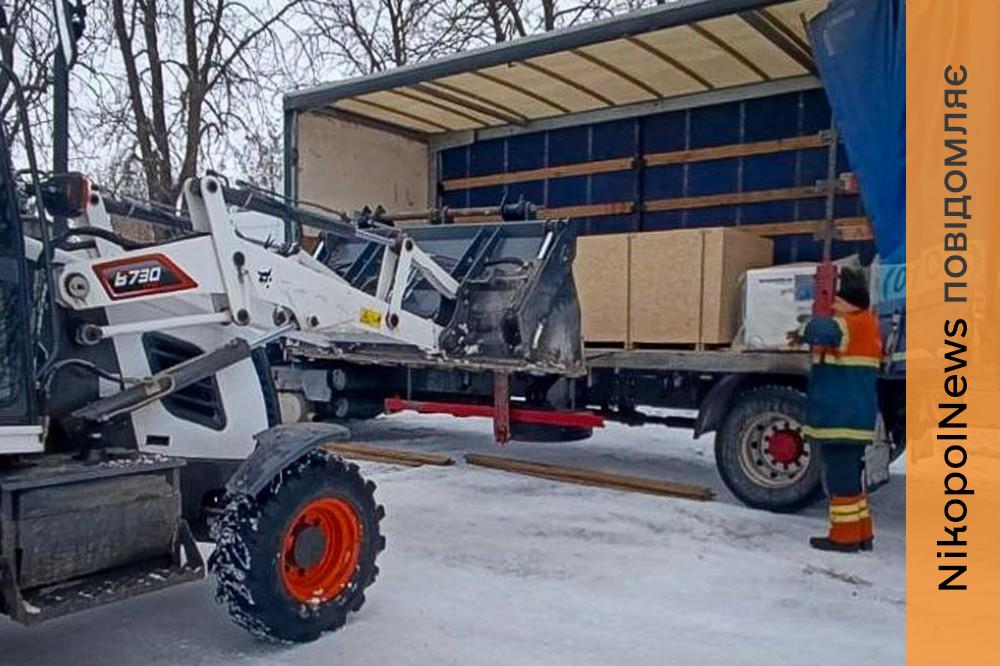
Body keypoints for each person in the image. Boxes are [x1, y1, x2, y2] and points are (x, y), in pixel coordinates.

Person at [790, 267, 883, 553]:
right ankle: (862, 533)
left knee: (840, 481)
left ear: (849, 302)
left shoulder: (847, 325)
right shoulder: (869, 324)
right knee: (852, 480)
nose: (832, 307)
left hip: (841, 418)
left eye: (836, 302)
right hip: (854, 417)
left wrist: (800, 328)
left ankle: (843, 538)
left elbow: (818, 329)